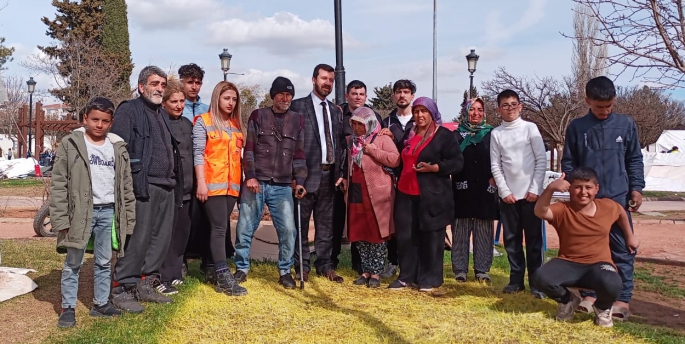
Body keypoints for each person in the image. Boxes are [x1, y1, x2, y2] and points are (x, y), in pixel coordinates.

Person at [561, 76, 645, 320]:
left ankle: (622, 299)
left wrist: (636, 189)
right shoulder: (577, 127)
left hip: (617, 199)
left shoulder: (626, 125)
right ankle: (589, 295)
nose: (605, 111)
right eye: (599, 107)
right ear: (588, 100)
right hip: (588, 203)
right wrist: (574, 191)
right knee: (588, 251)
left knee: (623, 250)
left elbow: (634, 160)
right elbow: (569, 162)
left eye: (609, 106)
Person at [50, 97, 136, 327]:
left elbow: (126, 185)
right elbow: (59, 184)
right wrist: (60, 218)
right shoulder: (71, 144)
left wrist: (128, 215)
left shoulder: (117, 147)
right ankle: (67, 307)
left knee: (104, 262)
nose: (99, 125)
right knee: (73, 262)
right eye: (95, 119)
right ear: (85, 119)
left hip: (108, 212)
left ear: (111, 122)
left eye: (105, 121)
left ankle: (101, 303)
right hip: (80, 213)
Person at [110, 66, 182, 313]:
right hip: (142, 186)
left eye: (162, 84)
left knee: (159, 240)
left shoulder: (161, 114)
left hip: (165, 186)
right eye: (154, 83)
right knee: (137, 241)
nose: (159, 88)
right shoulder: (129, 110)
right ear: (141, 87)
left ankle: (146, 284)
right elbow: (119, 150)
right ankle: (122, 289)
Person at [532, 167, 639, 328]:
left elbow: (621, 213)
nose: (583, 192)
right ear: (570, 189)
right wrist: (551, 188)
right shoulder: (563, 209)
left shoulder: (607, 206)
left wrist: (630, 236)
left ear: (596, 189)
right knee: (541, 277)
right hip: (568, 262)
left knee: (614, 283)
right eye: (577, 187)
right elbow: (540, 211)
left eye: (588, 187)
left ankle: (602, 308)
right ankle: (568, 301)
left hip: (599, 264)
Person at [233, 76, 306, 289]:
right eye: (281, 94)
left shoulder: (298, 120)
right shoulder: (258, 116)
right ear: (273, 95)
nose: (285, 98)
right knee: (245, 227)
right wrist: (251, 175)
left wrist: (299, 179)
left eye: (289, 95)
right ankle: (241, 268)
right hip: (257, 182)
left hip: (283, 185)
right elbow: (249, 149)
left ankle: (285, 271)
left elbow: (299, 154)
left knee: (288, 230)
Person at [390, 97, 462, 292]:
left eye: (424, 111)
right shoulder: (410, 133)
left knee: (432, 238)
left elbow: (457, 162)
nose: (419, 115)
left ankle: (430, 278)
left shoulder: (444, 135)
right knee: (406, 237)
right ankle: (407, 276)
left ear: (432, 113)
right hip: (406, 193)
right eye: (416, 111)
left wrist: (436, 167)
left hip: (432, 196)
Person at [290, 63, 346, 283]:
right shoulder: (298, 107)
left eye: (331, 80)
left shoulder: (335, 111)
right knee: (300, 225)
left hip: (329, 175)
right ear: (313, 80)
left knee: (326, 226)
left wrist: (341, 172)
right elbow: (292, 144)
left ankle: (325, 264)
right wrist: (295, 176)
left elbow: (340, 144)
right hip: (305, 175)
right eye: (324, 79)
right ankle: (302, 267)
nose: (327, 83)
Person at [490, 89, 546, 297]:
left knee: (534, 241)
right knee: (512, 241)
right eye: (506, 105)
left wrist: (534, 189)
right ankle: (516, 280)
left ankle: (537, 283)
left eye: (514, 104)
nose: (510, 108)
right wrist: (504, 191)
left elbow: (541, 159)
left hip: (531, 197)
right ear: (499, 109)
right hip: (509, 197)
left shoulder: (530, 128)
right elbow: (496, 165)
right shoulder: (496, 134)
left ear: (520, 106)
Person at [192, 81, 247, 296]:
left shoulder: (236, 126)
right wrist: (201, 182)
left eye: (234, 99)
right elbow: (198, 154)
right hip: (211, 186)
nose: (231, 103)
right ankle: (223, 275)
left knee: (220, 228)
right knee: (219, 229)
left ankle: (212, 268)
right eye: (227, 98)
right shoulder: (203, 122)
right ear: (217, 98)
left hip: (231, 187)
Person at [340, 107, 399, 288]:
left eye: (361, 124)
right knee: (361, 232)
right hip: (357, 191)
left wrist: (372, 151)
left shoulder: (382, 138)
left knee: (377, 234)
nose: (357, 128)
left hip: (377, 193)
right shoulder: (351, 142)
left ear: (370, 123)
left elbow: (395, 160)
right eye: (354, 124)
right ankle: (365, 271)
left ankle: (376, 273)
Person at [337, 80, 385, 274]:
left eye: (361, 94)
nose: (357, 97)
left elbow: (388, 151)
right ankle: (357, 265)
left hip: (372, 183)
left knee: (372, 224)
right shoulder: (339, 115)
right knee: (356, 223)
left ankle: (372, 268)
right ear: (347, 95)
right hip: (350, 179)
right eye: (354, 93)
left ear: (365, 97)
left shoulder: (374, 117)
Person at [451, 97, 498, 284]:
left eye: (479, 110)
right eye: (472, 110)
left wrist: (495, 178)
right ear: (466, 112)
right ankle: (460, 269)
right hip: (461, 188)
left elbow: (499, 158)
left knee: (484, 230)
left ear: (484, 112)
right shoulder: (456, 135)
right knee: (460, 230)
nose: (476, 113)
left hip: (486, 189)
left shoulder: (492, 134)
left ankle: (482, 269)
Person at [158, 78, 194, 295]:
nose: (179, 105)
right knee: (166, 234)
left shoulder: (187, 124)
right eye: (174, 101)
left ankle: (175, 273)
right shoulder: (160, 123)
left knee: (182, 233)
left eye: (182, 101)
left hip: (189, 189)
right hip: (170, 189)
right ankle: (162, 276)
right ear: (164, 103)